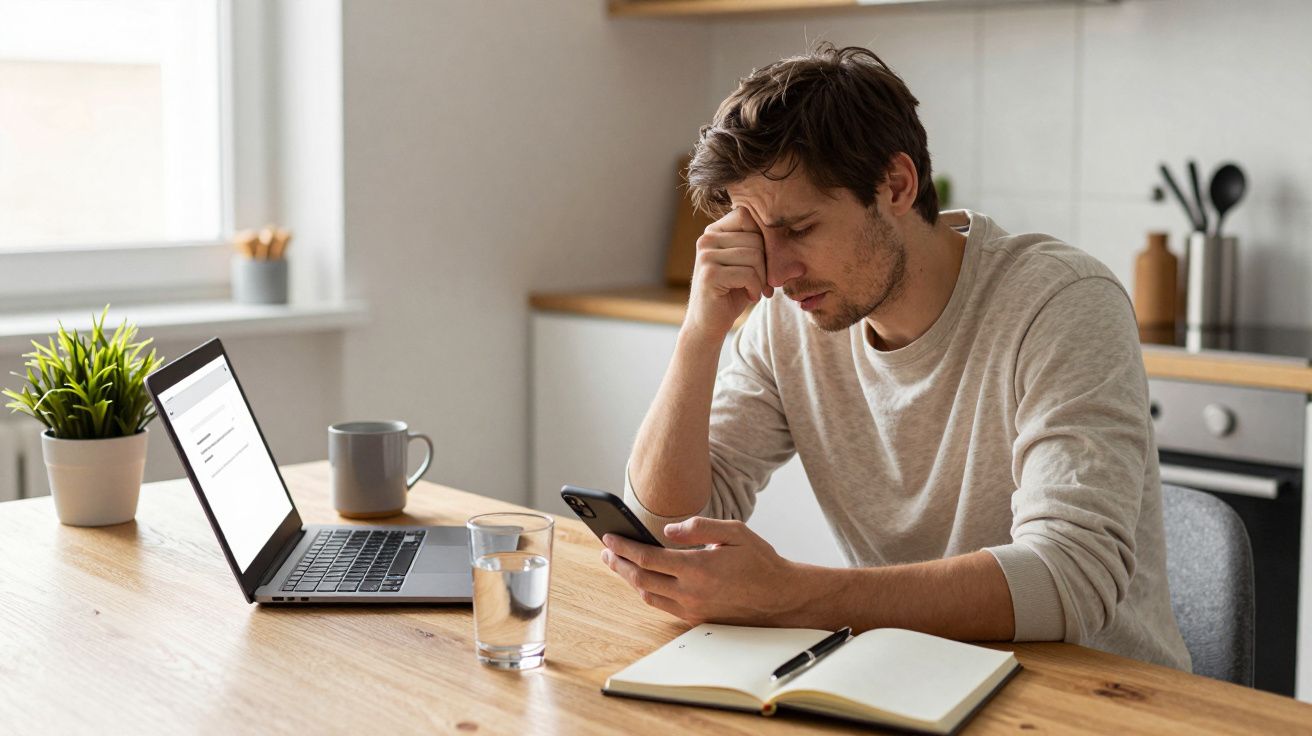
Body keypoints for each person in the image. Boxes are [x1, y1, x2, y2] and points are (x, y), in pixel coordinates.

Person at [599, 44, 1191, 670]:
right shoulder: (786, 318)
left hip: (1097, 698)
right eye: (755, 234)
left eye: (799, 229)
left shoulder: (1061, 304)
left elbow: (1069, 577)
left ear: (897, 185)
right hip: (912, 678)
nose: (777, 270)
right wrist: (699, 335)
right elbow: (667, 538)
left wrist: (793, 595)